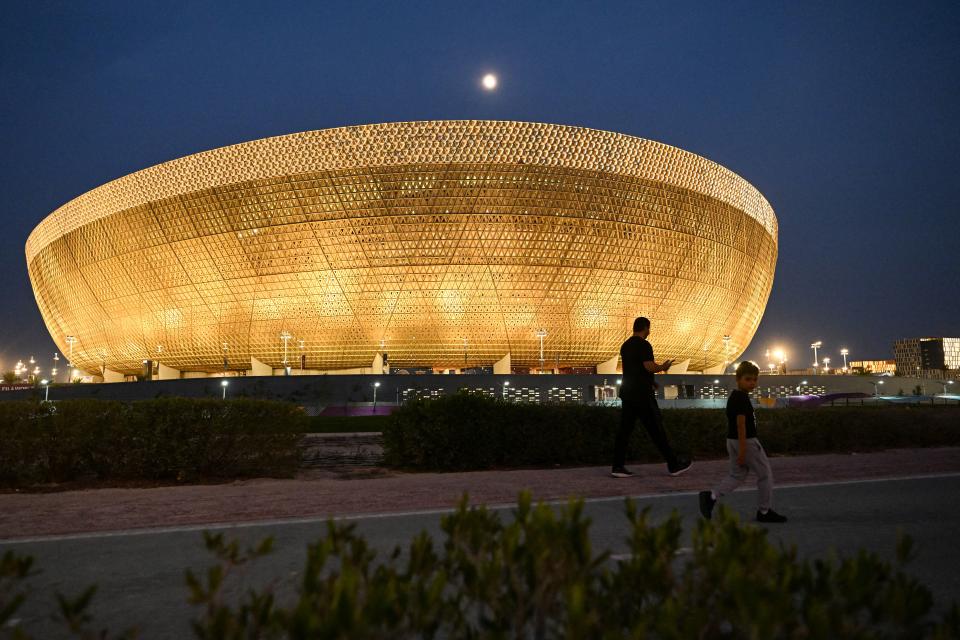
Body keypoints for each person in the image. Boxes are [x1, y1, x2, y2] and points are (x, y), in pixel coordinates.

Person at [699, 361, 787, 523]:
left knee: (737, 475)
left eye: (754, 379)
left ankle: (711, 496)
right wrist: (743, 450)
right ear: (738, 379)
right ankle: (764, 511)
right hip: (746, 441)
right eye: (748, 379)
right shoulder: (741, 399)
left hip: (731, 440)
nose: (752, 383)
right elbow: (741, 425)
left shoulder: (735, 396)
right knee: (765, 475)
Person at [612, 317, 692, 478]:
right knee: (657, 429)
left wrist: (651, 382)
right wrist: (663, 367)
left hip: (628, 393)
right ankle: (673, 464)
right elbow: (648, 366)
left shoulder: (626, 345)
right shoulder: (644, 344)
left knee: (624, 431)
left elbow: (634, 369)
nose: (649, 332)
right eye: (649, 329)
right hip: (641, 395)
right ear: (646, 328)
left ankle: (617, 466)